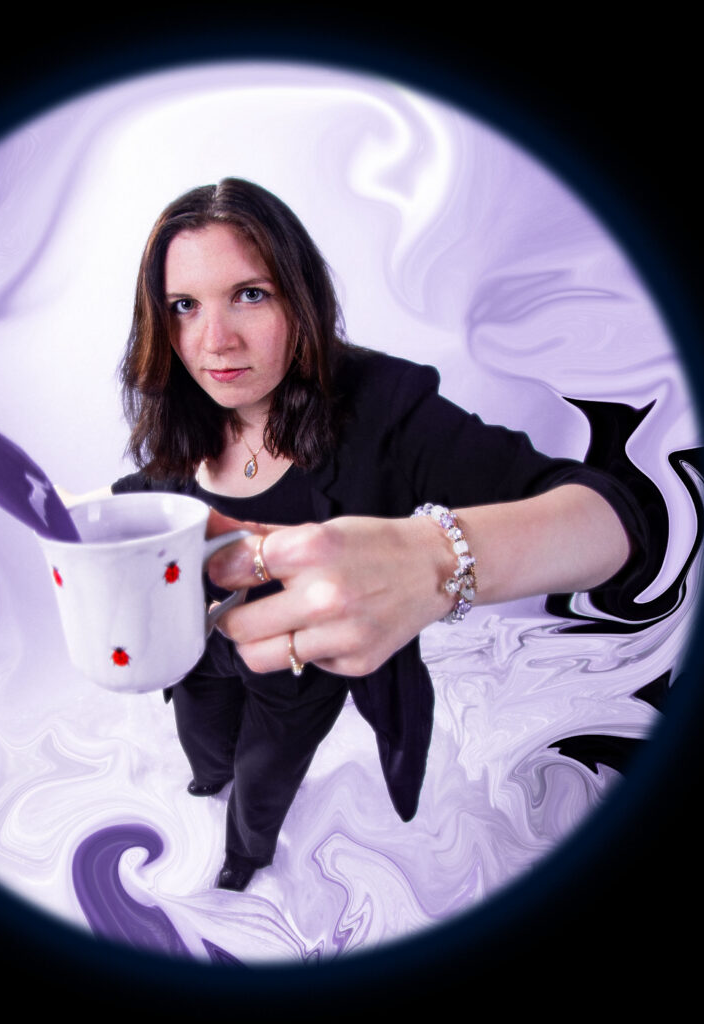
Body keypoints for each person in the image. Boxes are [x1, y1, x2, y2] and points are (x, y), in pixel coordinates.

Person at [102, 178, 645, 892]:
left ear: (300, 296)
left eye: (250, 294)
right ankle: (210, 787)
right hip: (200, 648)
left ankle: (244, 861)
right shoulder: (184, 405)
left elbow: (613, 516)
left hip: (298, 672)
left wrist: (436, 560)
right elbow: (156, 494)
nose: (215, 341)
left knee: (263, 781)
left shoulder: (385, 406)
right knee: (205, 752)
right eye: (184, 306)